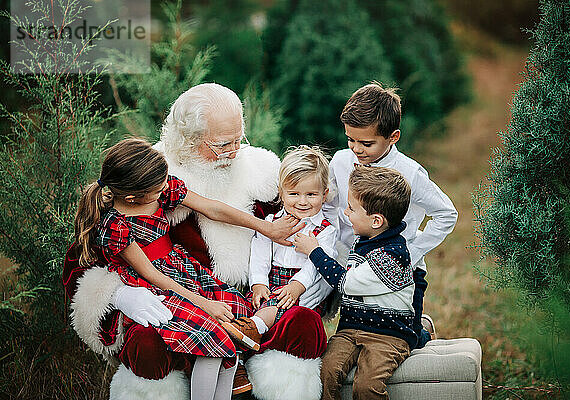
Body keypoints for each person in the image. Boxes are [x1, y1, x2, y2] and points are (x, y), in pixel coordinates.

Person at [64, 84, 328, 400]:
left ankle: (243, 368)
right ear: (188, 141)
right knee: (166, 341)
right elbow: (86, 265)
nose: (233, 151)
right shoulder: (146, 176)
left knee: (299, 323)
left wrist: (281, 251)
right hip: (170, 294)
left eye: (238, 139)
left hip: (233, 293)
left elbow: (312, 218)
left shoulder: (261, 173)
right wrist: (119, 296)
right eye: (221, 144)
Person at [322, 82, 458, 349]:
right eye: (350, 139)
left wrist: (412, 251)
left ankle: (422, 331)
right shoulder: (340, 161)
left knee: (402, 338)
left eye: (366, 143)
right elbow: (329, 205)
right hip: (355, 267)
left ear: (393, 137)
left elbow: (446, 214)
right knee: (356, 337)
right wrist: (334, 243)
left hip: (401, 272)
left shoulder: (410, 172)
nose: (356, 149)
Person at [295, 165, 417, 400]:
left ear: (376, 221)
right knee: (326, 372)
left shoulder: (390, 256)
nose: (346, 213)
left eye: (351, 208)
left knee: (367, 386)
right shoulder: (367, 239)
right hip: (351, 329)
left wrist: (315, 251)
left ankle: (419, 330)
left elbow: (345, 283)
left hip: (388, 334)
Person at [225, 146, 337, 342]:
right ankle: (243, 349)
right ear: (281, 192)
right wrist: (259, 282)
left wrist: (296, 286)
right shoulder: (271, 222)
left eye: (311, 194)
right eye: (294, 194)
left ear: (324, 194)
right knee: (248, 303)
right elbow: (259, 254)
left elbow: (315, 266)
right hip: (271, 280)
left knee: (279, 308)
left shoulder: (326, 230)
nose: (303, 202)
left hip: (304, 287)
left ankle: (254, 328)